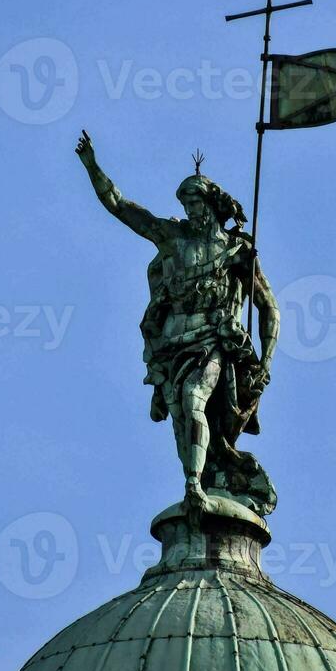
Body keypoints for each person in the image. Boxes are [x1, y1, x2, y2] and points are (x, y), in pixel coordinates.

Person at [75, 130, 280, 516]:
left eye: (196, 201)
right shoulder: (171, 237)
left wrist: (265, 361)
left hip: (213, 340)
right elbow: (121, 206)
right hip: (171, 344)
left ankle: (192, 485)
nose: (190, 210)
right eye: (185, 203)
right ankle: (200, 475)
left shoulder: (236, 251)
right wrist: (91, 166)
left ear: (212, 203)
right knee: (182, 417)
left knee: (192, 399)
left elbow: (269, 307)